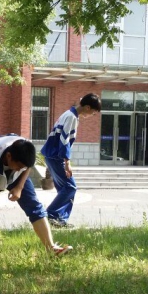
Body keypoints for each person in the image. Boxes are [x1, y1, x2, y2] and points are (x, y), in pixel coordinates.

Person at [0, 134, 72, 255]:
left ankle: (51, 248)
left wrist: (19, 187)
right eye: (19, 166)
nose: (20, 169)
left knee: (34, 206)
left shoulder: (25, 151)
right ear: (9, 156)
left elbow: (27, 166)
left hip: (14, 171)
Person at [40, 93, 101, 228]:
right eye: (93, 113)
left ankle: (60, 220)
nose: (92, 116)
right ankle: (51, 215)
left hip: (52, 156)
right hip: (56, 157)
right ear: (87, 107)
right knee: (70, 188)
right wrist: (67, 162)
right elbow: (64, 139)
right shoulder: (72, 117)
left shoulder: (69, 114)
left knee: (64, 188)